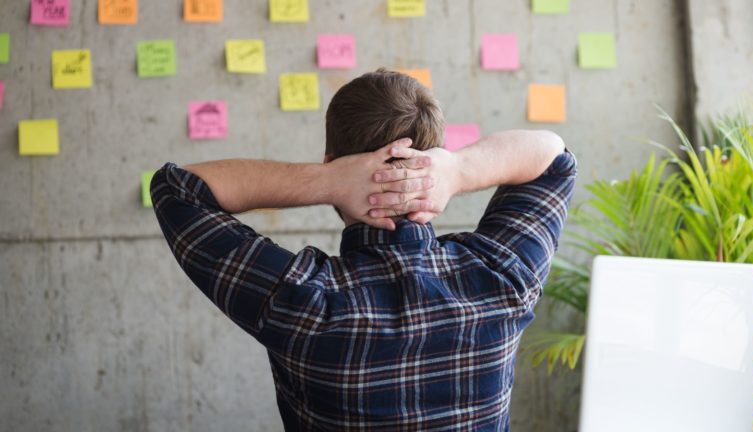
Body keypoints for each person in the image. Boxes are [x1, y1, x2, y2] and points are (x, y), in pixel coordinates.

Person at [150, 69, 576, 431]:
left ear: (333, 158)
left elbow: (176, 188)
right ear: (435, 158)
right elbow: (554, 159)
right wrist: (460, 170)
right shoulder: (501, 277)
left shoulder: (301, 302)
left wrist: (327, 179)